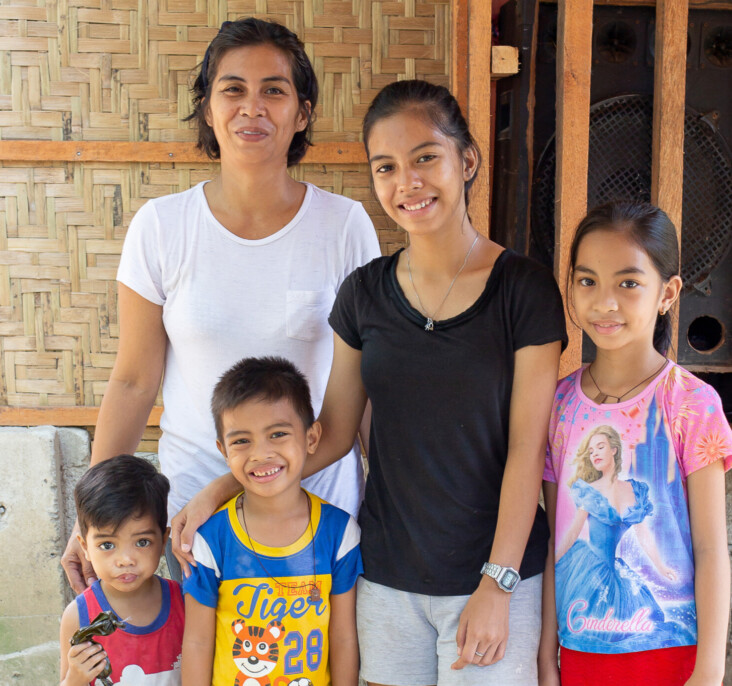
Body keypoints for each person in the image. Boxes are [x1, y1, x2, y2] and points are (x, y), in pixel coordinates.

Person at [176, 79, 568, 685]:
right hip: (386, 576)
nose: (407, 183)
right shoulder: (363, 294)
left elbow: (526, 449)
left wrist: (498, 582)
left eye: (425, 158)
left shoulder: (525, 290)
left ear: (466, 160)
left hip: (492, 576)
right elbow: (330, 434)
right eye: (386, 167)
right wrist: (218, 492)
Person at [60, 17, 380, 592]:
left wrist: (391, 498)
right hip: (196, 520)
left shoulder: (343, 225)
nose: (251, 107)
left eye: (273, 91)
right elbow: (134, 381)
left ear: (302, 112)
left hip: (317, 517)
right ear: (207, 108)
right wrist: (94, 519)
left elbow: (364, 384)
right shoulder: (162, 227)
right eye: (232, 89)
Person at [539, 202, 732, 686]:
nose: (605, 302)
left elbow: (711, 548)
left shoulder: (691, 403)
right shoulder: (558, 406)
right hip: (580, 649)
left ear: (667, 293)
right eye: (587, 281)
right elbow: (553, 544)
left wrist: (709, 669)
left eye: (628, 283)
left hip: (672, 657)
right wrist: (546, 653)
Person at [181, 356, 361, 686]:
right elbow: (196, 642)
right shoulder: (210, 540)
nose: (261, 453)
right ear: (223, 450)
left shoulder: (339, 533)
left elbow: (345, 639)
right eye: (241, 440)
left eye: (277, 434)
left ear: (311, 438)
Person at [59, 454, 184, 686]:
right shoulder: (79, 616)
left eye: (142, 542)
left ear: (164, 540)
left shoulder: (184, 603)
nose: (125, 560)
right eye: (107, 545)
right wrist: (74, 679)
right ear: (85, 547)